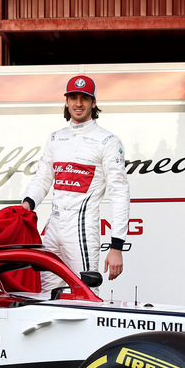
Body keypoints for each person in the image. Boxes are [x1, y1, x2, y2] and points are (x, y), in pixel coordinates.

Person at [22, 75, 131, 290]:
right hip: (52, 229)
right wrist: (27, 204)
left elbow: (119, 193)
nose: (78, 103)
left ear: (94, 103)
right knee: (46, 295)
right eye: (73, 97)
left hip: (81, 229)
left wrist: (117, 244)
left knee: (84, 294)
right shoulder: (55, 138)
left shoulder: (107, 141)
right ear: (66, 101)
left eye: (84, 98)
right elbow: (43, 177)